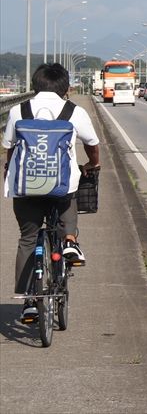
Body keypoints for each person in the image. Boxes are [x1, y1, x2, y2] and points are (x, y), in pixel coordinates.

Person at [2, 63, 100, 322]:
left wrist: (8, 174)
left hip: (25, 188)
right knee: (67, 201)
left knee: (27, 239)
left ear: (35, 85)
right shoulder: (73, 111)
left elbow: (9, 148)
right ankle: (69, 241)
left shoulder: (17, 111)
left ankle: (29, 301)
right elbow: (92, 144)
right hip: (61, 187)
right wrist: (93, 164)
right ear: (66, 88)